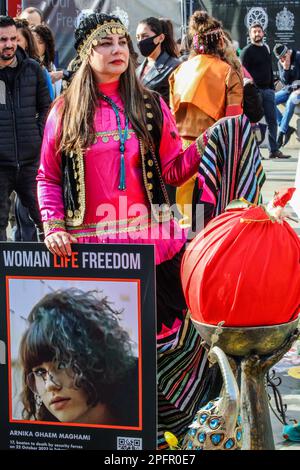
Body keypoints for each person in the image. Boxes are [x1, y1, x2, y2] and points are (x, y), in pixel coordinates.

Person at [37, 12, 222, 447]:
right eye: (106, 43)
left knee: (165, 349)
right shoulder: (65, 109)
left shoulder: (151, 104)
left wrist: (211, 141)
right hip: (92, 252)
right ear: (86, 53)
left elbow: (174, 169)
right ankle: (113, 438)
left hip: (151, 247)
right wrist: (53, 225)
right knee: (103, 356)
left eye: (123, 42)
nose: (118, 50)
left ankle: (166, 435)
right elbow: (46, 176)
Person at [19, 288, 138, 426]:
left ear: (96, 358)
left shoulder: (149, 407)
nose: (50, 385)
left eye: (62, 364)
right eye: (40, 372)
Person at [169, 10, 244, 225]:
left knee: (185, 221)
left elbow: (171, 115)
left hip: (182, 153)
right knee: (213, 219)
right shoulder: (228, 71)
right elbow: (233, 122)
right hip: (214, 152)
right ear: (220, 41)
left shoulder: (179, 70)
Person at [0, 15, 51, 241]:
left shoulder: (33, 69)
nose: (9, 44)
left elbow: (47, 108)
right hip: (1, 164)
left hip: (31, 162)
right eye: (2, 40)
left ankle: (53, 274)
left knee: (47, 219)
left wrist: (38, 137)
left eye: (13, 38)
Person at [240, 23, 290, 159]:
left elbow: (268, 68)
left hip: (268, 91)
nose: (257, 34)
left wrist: (272, 89)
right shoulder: (246, 51)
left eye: (259, 31)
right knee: (256, 123)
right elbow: (241, 72)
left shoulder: (266, 48)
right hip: (253, 92)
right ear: (250, 35)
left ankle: (274, 150)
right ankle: (256, 152)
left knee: (272, 121)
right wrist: (250, 90)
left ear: (263, 33)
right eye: (254, 32)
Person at [136, 17, 180, 106]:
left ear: (160, 38)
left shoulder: (175, 67)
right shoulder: (137, 70)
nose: (141, 41)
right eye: (138, 37)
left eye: (145, 36)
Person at [274, 43, 300, 147]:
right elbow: (284, 82)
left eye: (284, 57)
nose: (283, 60)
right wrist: (286, 69)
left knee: (292, 100)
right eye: (280, 58)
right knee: (268, 101)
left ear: (288, 51)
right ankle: (286, 128)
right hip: (289, 90)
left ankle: (281, 133)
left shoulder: (298, 56)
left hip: (297, 92)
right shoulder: (281, 62)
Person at [32, 24, 61, 97]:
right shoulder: (27, 66)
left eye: (40, 42)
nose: (36, 45)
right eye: (33, 42)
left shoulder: (52, 67)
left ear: (47, 45)